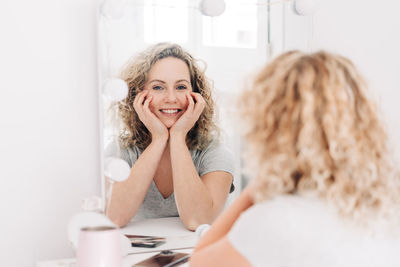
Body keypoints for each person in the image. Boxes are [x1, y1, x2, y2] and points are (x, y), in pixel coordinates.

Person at [190, 51, 400, 266]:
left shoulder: (277, 221)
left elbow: (199, 262)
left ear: (270, 128)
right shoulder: (386, 204)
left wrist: (262, 182)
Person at [105, 43, 234, 230]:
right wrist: (158, 139)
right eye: (158, 87)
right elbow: (114, 217)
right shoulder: (120, 152)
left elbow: (198, 221)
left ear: (196, 95)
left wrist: (178, 137)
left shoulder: (215, 153)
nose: (171, 98)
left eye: (181, 87)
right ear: (138, 95)